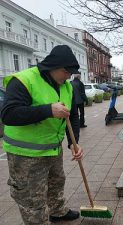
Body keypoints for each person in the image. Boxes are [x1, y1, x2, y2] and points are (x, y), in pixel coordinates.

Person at [1, 45, 84, 225]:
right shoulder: (23, 81)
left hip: (53, 149)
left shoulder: (66, 86)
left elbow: (74, 115)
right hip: (25, 154)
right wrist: (47, 110)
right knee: (32, 197)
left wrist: (73, 142)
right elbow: (8, 114)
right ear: (57, 68)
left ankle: (57, 211)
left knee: (56, 182)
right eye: (67, 72)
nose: (69, 76)